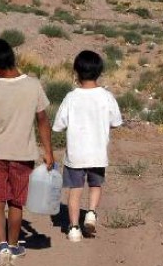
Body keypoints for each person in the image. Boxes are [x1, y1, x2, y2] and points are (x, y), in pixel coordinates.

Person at [0, 38, 54, 266]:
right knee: (16, 202)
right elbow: (42, 120)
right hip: (24, 156)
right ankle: (13, 244)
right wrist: (48, 151)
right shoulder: (33, 85)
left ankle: (0, 246)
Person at [52, 50, 122, 242]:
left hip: (76, 155)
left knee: (75, 191)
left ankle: (74, 228)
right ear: (100, 71)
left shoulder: (71, 97)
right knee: (95, 185)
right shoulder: (106, 97)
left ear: (76, 72)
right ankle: (91, 213)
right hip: (97, 154)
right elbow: (116, 121)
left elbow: (58, 125)